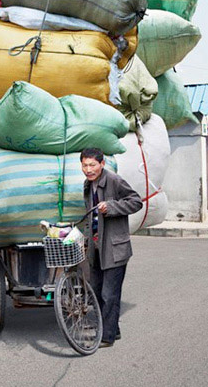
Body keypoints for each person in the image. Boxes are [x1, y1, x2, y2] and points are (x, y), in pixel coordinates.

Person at [80, 147, 142, 347]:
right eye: (85, 165)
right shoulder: (88, 185)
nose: (88, 169)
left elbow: (136, 202)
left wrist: (112, 207)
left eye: (92, 165)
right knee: (96, 291)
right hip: (96, 248)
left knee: (109, 293)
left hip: (115, 248)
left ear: (102, 164)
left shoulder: (114, 180)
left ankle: (106, 337)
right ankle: (112, 330)